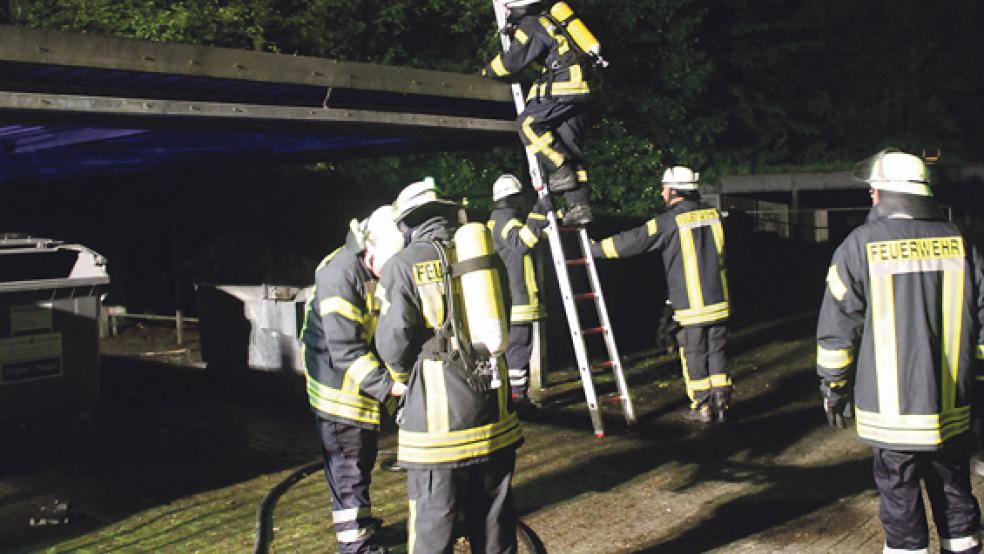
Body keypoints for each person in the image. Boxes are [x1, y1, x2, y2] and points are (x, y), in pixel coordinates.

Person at [816, 149, 984, 554]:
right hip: (951, 406)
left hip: (891, 415)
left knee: (900, 500)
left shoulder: (859, 245)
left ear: (879, 195)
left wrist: (834, 387)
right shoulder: (960, 241)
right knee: (954, 492)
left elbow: (838, 329)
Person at [375, 178, 524, 554]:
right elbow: (503, 316)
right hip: (495, 413)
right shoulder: (485, 256)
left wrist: (404, 380)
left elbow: (393, 345)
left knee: (433, 523)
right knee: (495, 522)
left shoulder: (402, 265)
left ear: (406, 224)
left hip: (439, 430)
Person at [300, 205, 407, 554]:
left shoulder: (364, 268)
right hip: (338, 396)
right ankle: (356, 544)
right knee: (349, 470)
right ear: (369, 251)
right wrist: (390, 388)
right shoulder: (339, 277)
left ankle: (360, 525)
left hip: (354, 389)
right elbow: (345, 350)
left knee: (360, 463)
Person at [590, 166, 732, 423]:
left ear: (675, 190)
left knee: (694, 354)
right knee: (717, 349)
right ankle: (722, 400)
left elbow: (633, 241)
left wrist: (596, 250)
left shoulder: (669, 222)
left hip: (691, 305)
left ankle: (703, 406)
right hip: (719, 300)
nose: (662, 192)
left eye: (665, 188)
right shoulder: (714, 215)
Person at [481, 0, 596, 226]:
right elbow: (542, 57)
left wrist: (487, 71)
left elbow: (512, 63)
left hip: (565, 87)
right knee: (568, 145)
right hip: (582, 91)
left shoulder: (531, 24)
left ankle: (560, 168)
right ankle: (579, 205)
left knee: (527, 125)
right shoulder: (550, 22)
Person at [487, 174, 552, 413]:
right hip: (519, 299)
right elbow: (521, 243)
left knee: (512, 349)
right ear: (513, 199)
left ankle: (512, 395)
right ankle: (518, 398)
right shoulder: (508, 223)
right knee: (519, 348)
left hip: (507, 297)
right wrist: (539, 212)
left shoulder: (494, 222)